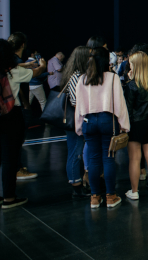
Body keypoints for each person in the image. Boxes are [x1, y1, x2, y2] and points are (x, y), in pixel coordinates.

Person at [75, 47, 128, 209]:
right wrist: (125, 126)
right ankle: (111, 196)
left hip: (88, 122)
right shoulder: (112, 78)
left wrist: (78, 127)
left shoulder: (83, 79)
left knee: (93, 159)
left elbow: (79, 107)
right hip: (107, 121)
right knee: (108, 158)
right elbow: (120, 104)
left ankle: (94, 198)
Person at [0, 40, 47, 209]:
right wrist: (42, 64)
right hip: (10, 116)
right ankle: (9, 198)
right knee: (9, 158)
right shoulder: (13, 71)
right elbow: (37, 73)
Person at [123, 52, 148, 200]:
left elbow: (128, 108)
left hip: (135, 124)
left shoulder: (131, 85)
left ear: (136, 65)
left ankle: (134, 191)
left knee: (135, 159)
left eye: (131, 63)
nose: (129, 65)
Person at [7, 32, 39, 181]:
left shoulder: (10, 60)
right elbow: (19, 84)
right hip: (16, 106)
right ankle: (17, 169)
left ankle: (16, 168)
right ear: (23, 45)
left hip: (11, 106)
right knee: (17, 140)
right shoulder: (14, 62)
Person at [60, 46, 91, 199]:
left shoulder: (72, 74)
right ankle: (76, 187)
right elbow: (75, 101)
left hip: (74, 120)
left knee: (75, 151)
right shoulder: (77, 76)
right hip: (76, 121)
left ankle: (77, 183)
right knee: (75, 153)